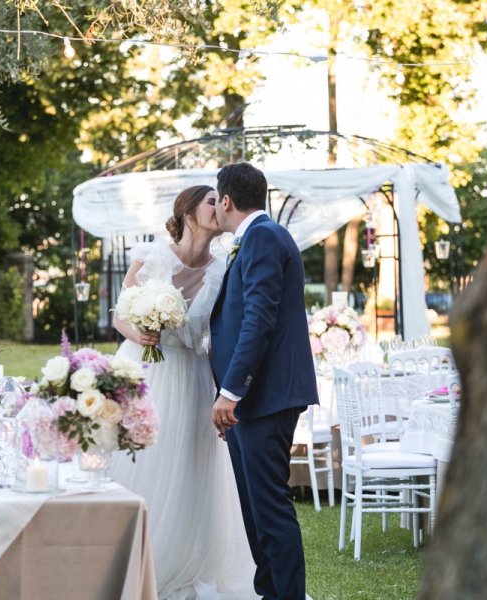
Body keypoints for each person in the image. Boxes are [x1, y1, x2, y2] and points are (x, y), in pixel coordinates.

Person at [109, 185, 257, 600]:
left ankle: (187, 561)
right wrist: (141, 331)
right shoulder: (151, 255)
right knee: (144, 458)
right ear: (189, 211)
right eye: (212, 200)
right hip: (146, 367)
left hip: (193, 374)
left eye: (221, 201)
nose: (220, 206)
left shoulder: (223, 268)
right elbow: (121, 312)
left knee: (191, 465)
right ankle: (136, 560)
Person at [209, 162, 319, 600]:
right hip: (256, 398)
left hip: (264, 396)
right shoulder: (254, 237)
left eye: (216, 201)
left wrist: (231, 391)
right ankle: (269, 593)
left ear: (227, 201)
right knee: (256, 511)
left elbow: (259, 318)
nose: (215, 208)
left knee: (269, 508)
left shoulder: (263, 237)